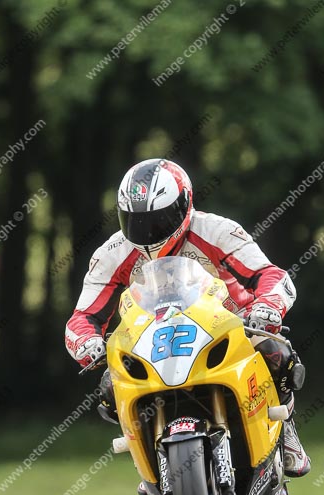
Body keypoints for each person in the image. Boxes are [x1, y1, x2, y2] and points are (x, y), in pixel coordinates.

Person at [65, 158, 310, 477]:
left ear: (184, 205)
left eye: (158, 220)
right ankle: (148, 457)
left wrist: (268, 306)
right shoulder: (111, 253)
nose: (147, 232)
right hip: (151, 339)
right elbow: (82, 316)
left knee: (277, 353)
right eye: (136, 221)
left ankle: (285, 428)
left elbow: (269, 275)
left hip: (230, 325)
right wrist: (87, 343)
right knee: (110, 385)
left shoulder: (217, 230)